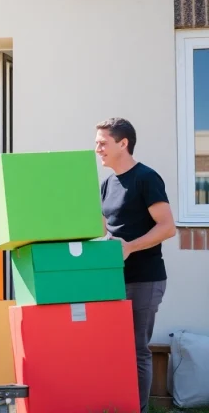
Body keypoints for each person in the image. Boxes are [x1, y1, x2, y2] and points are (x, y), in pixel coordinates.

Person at [95, 117, 176, 413]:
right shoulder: (107, 184)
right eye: (97, 143)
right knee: (115, 349)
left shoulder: (146, 178)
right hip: (113, 278)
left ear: (123, 143)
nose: (98, 149)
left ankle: (138, 409)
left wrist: (130, 247)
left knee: (137, 350)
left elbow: (167, 227)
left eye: (103, 143)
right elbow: (102, 229)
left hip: (144, 278)